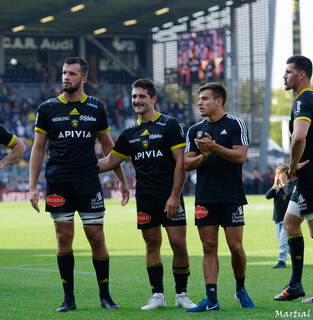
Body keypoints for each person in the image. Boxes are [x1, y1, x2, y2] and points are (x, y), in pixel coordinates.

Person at [29, 57, 130, 312]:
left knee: (96, 237)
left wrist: (122, 180)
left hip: (87, 180)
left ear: (83, 79)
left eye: (72, 74)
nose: (66, 77)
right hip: (58, 182)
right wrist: (33, 186)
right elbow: (38, 149)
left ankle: (105, 296)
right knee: (64, 239)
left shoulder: (96, 107)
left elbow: (108, 146)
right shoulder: (47, 108)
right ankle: (68, 299)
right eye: (64, 73)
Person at [98, 78, 196, 310]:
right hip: (145, 197)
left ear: (153, 99)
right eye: (134, 97)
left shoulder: (170, 125)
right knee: (151, 244)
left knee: (178, 244)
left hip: (169, 195)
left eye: (142, 96)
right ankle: (157, 295)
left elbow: (180, 163)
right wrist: (79, 165)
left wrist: (174, 196)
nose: (137, 101)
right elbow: (110, 161)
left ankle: (182, 293)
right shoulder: (129, 133)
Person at [184, 82, 254, 312]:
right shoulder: (194, 130)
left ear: (219, 101)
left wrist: (213, 147)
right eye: (199, 99)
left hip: (231, 195)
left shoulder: (235, 124)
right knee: (209, 246)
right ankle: (211, 299)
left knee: (235, 246)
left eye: (204, 99)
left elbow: (241, 156)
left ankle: (240, 288)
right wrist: (203, 156)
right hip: (205, 196)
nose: (199, 103)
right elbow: (186, 163)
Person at [274, 55, 313, 303]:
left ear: (301, 75)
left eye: (289, 71)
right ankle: (295, 285)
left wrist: (292, 166)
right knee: (290, 223)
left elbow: (299, 137)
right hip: (309, 176)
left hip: (311, 174)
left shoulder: (302, 101)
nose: (284, 76)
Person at [265, 164, 294, 268]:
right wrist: (274, 186)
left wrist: (283, 184)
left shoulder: (291, 185)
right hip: (277, 219)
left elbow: (289, 194)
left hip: (288, 220)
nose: (278, 176)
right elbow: (267, 196)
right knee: (286, 243)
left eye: (280, 174)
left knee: (283, 242)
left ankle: (281, 262)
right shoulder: (277, 188)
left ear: (286, 175)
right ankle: (297, 256)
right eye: (277, 174)